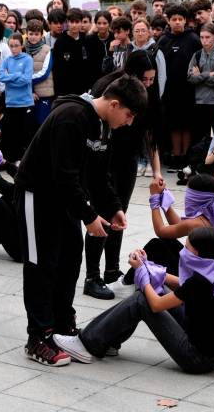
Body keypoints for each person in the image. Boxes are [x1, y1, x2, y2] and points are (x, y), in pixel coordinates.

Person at [15, 75, 147, 366]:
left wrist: (113, 207)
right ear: (114, 104)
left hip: (64, 200)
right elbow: (64, 176)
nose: (129, 122)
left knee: (70, 259)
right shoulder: (70, 117)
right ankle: (38, 336)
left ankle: (62, 327)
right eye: (128, 115)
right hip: (37, 195)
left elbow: (98, 175)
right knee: (41, 265)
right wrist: (88, 216)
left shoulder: (103, 126)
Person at [53, 227, 214, 373]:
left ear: (199, 254)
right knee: (158, 289)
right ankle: (109, 342)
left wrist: (143, 275)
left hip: (196, 358)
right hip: (206, 350)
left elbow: (156, 305)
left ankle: (87, 343)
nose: (183, 252)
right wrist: (149, 268)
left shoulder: (200, 281)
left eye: (186, 248)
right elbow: (182, 284)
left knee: (142, 300)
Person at [83, 51, 164, 300]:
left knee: (119, 213)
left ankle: (111, 269)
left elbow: (150, 135)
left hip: (127, 160)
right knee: (102, 212)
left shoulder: (147, 95)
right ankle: (92, 275)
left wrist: (157, 170)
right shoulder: (110, 87)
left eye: (152, 80)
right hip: (103, 157)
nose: (148, 84)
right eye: (145, 79)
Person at [158, 4, 201, 166]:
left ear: (185, 21)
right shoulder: (163, 40)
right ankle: (176, 155)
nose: (177, 22)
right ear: (168, 21)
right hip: (170, 91)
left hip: (189, 90)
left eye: (180, 19)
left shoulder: (193, 39)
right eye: (174, 19)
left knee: (187, 125)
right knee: (174, 125)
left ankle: (186, 156)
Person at [0, 33, 35, 162]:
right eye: (11, 46)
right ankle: (12, 159)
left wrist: (10, 77)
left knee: (25, 133)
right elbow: (1, 77)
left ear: (22, 45)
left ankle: (24, 160)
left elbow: (26, 80)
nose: (13, 49)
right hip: (10, 103)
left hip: (25, 103)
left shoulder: (27, 59)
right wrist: (16, 75)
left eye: (16, 46)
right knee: (11, 134)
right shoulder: (7, 60)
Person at [188, 23, 214, 142]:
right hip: (200, 101)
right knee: (201, 136)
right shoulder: (197, 55)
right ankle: (202, 160)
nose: (204, 40)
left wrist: (200, 76)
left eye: (207, 37)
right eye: (202, 37)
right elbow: (190, 77)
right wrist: (208, 74)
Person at [52, 8, 89, 96]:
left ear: (81, 22)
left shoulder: (86, 39)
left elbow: (89, 66)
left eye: (77, 22)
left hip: (83, 90)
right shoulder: (60, 42)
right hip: (65, 91)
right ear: (67, 22)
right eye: (71, 22)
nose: (74, 25)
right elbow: (57, 70)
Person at [25, 20, 54, 129]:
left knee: (43, 124)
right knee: (30, 126)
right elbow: (20, 73)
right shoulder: (23, 50)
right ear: (26, 34)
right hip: (28, 95)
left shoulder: (47, 50)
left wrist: (27, 80)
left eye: (36, 34)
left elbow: (44, 73)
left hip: (44, 95)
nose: (33, 37)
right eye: (31, 34)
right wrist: (30, 90)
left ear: (41, 35)